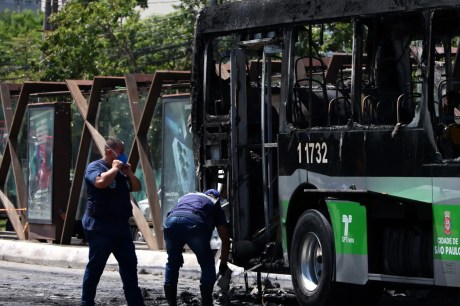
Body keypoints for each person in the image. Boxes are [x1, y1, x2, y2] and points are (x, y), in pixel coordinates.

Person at [81, 138, 145, 306]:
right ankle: (86, 302)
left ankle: (136, 303)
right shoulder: (95, 167)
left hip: (121, 227)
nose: (123, 155)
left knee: (130, 265)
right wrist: (115, 169)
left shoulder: (122, 172)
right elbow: (101, 182)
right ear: (110, 151)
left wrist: (129, 173)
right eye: (121, 152)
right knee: (96, 267)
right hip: (100, 226)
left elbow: (137, 187)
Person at [163, 189, 231, 306]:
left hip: (170, 222)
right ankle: (206, 303)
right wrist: (223, 264)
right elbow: (225, 239)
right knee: (207, 263)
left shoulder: (186, 197)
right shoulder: (214, 202)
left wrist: (177, 253)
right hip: (194, 223)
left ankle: (171, 303)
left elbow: (174, 219)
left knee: (172, 262)